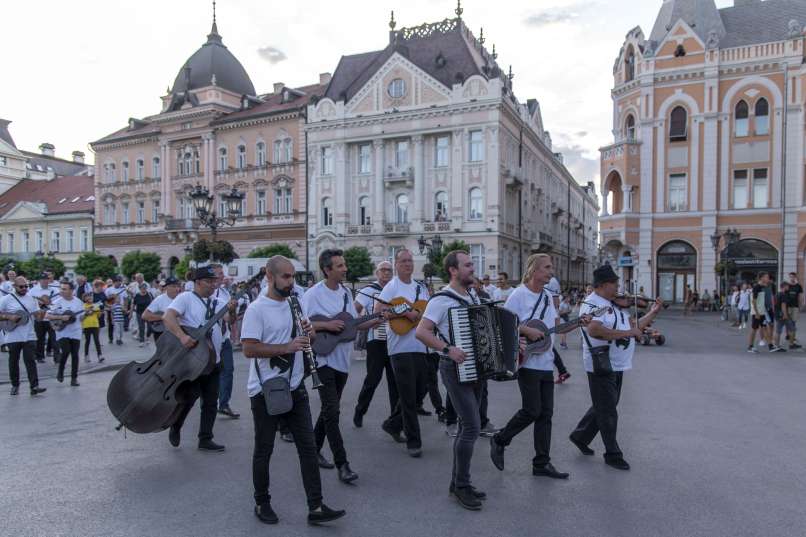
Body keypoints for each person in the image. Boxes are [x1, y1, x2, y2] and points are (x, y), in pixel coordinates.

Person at [242, 256, 346, 525]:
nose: (291, 282)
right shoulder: (257, 309)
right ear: (270, 276)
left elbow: (306, 340)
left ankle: (316, 506)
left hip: (295, 385)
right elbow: (249, 348)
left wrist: (310, 333)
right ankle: (261, 502)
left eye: (293, 277)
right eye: (286, 277)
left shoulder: (294, 303)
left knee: (308, 448)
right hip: (266, 389)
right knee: (264, 449)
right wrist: (286, 347)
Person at [490, 254, 588, 480]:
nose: (551, 271)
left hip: (545, 364)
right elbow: (503, 325)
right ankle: (500, 439)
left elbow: (556, 329)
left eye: (551, 267)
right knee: (532, 410)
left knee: (546, 414)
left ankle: (541, 463)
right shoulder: (518, 295)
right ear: (534, 270)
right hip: (527, 362)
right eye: (547, 267)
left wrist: (578, 323)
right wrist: (526, 331)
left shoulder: (546, 297)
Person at [569, 264, 663, 470]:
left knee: (606, 405)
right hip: (601, 364)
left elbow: (635, 328)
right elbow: (594, 330)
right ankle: (612, 453)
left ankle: (580, 435)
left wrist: (653, 312)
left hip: (618, 363)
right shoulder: (593, 304)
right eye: (615, 283)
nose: (619, 288)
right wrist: (627, 334)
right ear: (603, 285)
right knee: (608, 410)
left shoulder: (614, 305)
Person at [415, 250, 488, 510]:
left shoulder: (471, 295)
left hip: (475, 368)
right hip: (453, 367)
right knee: (470, 427)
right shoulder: (441, 300)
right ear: (453, 270)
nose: (473, 268)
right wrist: (447, 349)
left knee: (469, 426)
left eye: (472, 264)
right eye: (468, 265)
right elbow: (421, 332)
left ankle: (459, 482)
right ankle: (461, 485)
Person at [303, 249, 382, 483]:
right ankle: (342, 464)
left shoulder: (347, 293)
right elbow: (302, 324)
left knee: (330, 409)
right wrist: (326, 326)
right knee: (333, 412)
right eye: (339, 266)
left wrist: (374, 321)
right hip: (322, 359)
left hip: (341, 361)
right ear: (327, 270)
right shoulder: (313, 294)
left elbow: (350, 326)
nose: (345, 268)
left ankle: (313, 449)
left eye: (344, 264)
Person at [162, 265, 227, 452]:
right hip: (193, 361)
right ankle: (176, 425)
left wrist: (231, 310)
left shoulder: (218, 301)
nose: (213, 285)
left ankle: (205, 438)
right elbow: (168, 317)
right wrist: (182, 337)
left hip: (213, 359)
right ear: (197, 282)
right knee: (189, 398)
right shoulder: (186, 298)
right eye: (209, 281)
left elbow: (228, 321)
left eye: (214, 281)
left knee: (211, 401)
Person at [377, 249, 431, 458]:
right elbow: (379, 310)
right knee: (408, 396)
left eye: (410, 261)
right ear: (396, 264)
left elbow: (428, 310)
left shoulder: (420, 288)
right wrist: (403, 312)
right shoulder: (391, 287)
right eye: (403, 261)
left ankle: (392, 424)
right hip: (399, 347)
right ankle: (413, 441)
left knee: (421, 390)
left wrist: (419, 314)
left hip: (420, 345)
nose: (408, 264)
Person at [353, 261, 397, 428]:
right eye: (383, 270)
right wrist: (371, 320)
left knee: (395, 383)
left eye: (389, 270)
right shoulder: (368, 291)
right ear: (377, 273)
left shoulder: (395, 290)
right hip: (376, 341)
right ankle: (360, 410)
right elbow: (354, 310)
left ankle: (394, 420)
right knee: (372, 379)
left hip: (394, 340)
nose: (386, 273)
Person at [0, 276, 47, 396]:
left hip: (29, 335)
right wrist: (9, 317)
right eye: (21, 286)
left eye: (26, 286)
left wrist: (42, 312)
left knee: (30, 361)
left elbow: (38, 318)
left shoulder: (32, 299)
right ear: (14, 287)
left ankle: (34, 386)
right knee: (13, 361)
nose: (24, 288)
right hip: (12, 335)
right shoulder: (6, 299)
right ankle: (15, 385)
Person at [211, 264, 240, 420]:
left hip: (224, 339)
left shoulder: (224, 293)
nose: (223, 275)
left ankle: (223, 404)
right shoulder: (206, 295)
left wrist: (233, 309)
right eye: (220, 273)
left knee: (228, 371)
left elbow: (230, 320)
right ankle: (207, 404)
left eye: (222, 273)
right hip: (208, 342)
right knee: (209, 375)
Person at [47, 280, 87, 387]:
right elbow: (48, 316)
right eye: (61, 289)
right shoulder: (57, 302)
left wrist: (86, 314)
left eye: (64, 289)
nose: (62, 291)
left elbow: (81, 317)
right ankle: (61, 371)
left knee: (75, 354)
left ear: (71, 290)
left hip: (75, 331)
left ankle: (74, 378)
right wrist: (61, 317)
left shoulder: (78, 302)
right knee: (65, 351)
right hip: (62, 330)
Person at [748, 272, 782, 353]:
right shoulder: (757, 287)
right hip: (757, 312)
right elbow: (753, 301)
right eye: (766, 277)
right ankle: (750, 347)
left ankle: (771, 346)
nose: (768, 278)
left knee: (764, 328)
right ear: (762, 278)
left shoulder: (763, 286)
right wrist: (756, 313)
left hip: (762, 311)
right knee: (754, 329)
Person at [29, 273, 59, 363]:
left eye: (46, 279)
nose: (45, 281)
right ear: (39, 280)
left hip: (52, 317)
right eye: (43, 279)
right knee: (40, 338)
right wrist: (39, 304)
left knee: (55, 338)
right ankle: (40, 356)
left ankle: (57, 357)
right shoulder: (33, 291)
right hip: (39, 317)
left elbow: (58, 302)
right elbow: (30, 302)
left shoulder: (55, 290)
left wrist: (51, 304)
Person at [142, 277, 181, 342]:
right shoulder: (159, 299)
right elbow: (145, 315)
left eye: (178, 286)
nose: (177, 289)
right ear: (166, 288)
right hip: (163, 334)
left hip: (179, 334)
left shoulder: (182, 298)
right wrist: (164, 317)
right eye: (174, 286)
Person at [105, 276, 128, 344]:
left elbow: (126, 299)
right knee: (111, 325)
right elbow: (105, 299)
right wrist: (111, 297)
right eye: (118, 282)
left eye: (120, 281)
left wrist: (125, 307)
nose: (119, 283)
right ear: (114, 282)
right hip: (111, 308)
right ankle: (111, 338)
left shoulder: (123, 289)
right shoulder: (109, 289)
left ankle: (119, 338)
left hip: (121, 309)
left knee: (120, 325)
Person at [81, 293, 103, 363]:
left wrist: (100, 312)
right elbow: (81, 318)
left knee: (97, 340)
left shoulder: (95, 305)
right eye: (88, 297)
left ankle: (100, 355)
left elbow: (98, 316)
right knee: (87, 341)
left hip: (95, 325)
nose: (90, 299)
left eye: (91, 297)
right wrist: (87, 313)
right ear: (84, 299)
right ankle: (86, 356)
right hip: (86, 325)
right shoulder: (83, 306)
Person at [132, 283, 153, 348]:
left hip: (148, 313)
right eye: (142, 288)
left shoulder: (149, 295)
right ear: (140, 289)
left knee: (150, 327)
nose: (144, 289)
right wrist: (130, 313)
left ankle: (147, 337)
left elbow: (153, 303)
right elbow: (133, 304)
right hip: (139, 313)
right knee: (141, 327)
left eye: (145, 288)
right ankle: (141, 341)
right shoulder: (137, 295)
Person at [774, 282, 793, 350]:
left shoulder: (777, 294)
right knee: (791, 329)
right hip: (783, 315)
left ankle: (776, 345)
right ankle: (791, 344)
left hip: (777, 314)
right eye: (787, 286)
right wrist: (785, 315)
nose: (788, 287)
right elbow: (783, 306)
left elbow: (775, 304)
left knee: (778, 331)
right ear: (784, 286)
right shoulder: (783, 295)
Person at [785, 272, 802, 349]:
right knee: (788, 322)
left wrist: (800, 307)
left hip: (795, 307)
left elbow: (800, 297)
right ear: (789, 277)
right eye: (790, 277)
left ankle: (792, 339)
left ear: (795, 277)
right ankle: (789, 336)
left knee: (793, 323)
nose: (792, 278)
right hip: (788, 307)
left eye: (793, 277)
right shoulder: (787, 286)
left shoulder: (798, 286)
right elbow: (784, 296)